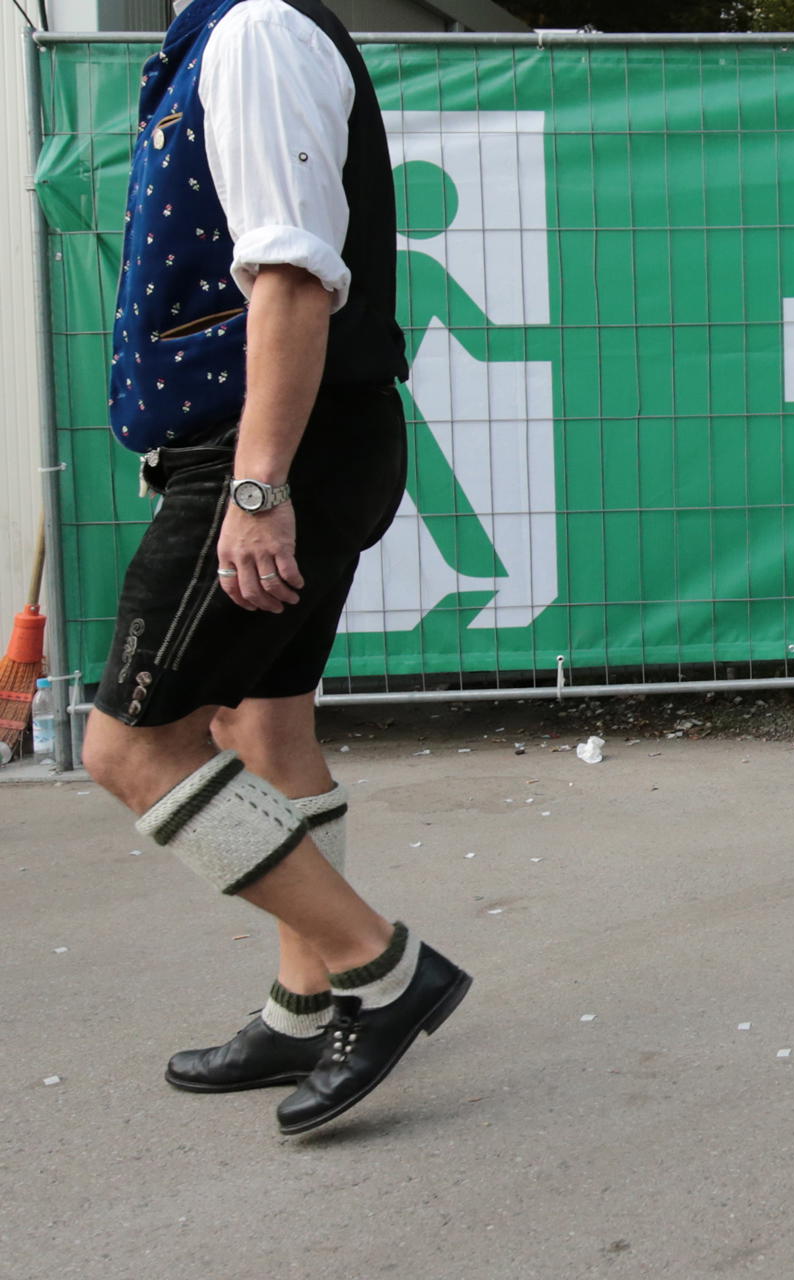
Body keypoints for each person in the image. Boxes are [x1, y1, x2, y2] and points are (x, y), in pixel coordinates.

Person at [80, 0, 471, 1135]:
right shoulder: (223, 35)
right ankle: (304, 1003)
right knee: (267, 726)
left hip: (265, 449)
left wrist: (254, 487)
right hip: (283, 441)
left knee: (133, 745)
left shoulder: (254, 30)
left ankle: (381, 970)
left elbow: (294, 276)